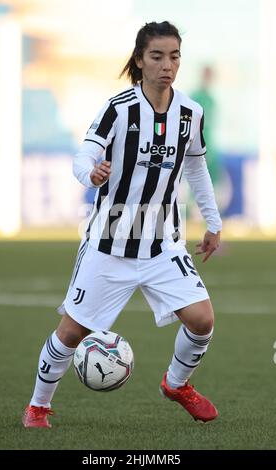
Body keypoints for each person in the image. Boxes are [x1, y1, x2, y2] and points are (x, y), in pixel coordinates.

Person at [23, 21, 222, 429]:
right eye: (157, 56)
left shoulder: (190, 112)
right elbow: (85, 155)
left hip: (163, 243)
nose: (167, 65)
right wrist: (90, 174)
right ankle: (37, 408)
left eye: (174, 56)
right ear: (139, 60)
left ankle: (176, 384)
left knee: (202, 320)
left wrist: (213, 222)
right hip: (109, 243)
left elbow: (197, 167)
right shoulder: (120, 108)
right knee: (72, 332)